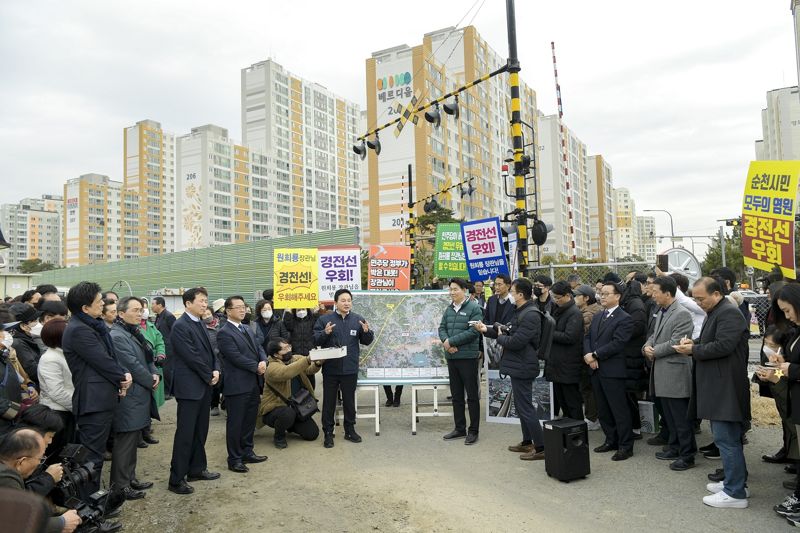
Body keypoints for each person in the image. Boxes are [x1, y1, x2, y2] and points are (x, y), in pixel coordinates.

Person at [673, 277, 750, 508]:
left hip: (725, 386)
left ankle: (735, 492)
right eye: (695, 298)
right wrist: (693, 343)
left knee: (726, 440)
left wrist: (693, 349)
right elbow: (711, 340)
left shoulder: (728, 312)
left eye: (701, 299)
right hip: (719, 384)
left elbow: (723, 346)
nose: (698, 303)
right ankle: (735, 481)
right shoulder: (717, 311)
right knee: (726, 438)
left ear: (716, 293)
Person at [62, 281, 131, 495]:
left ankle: (95, 507)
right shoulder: (79, 331)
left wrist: (120, 376)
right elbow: (102, 360)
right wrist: (122, 376)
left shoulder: (90, 325)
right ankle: (89, 508)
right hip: (93, 403)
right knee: (91, 460)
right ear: (85, 308)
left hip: (101, 399)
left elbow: (107, 358)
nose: (103, 304)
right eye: (99, 301)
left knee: (95, 457)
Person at [476, 278, 544, 458]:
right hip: (517, 364)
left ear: (520, 295)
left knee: (526, 407)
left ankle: (542, 447)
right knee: (522, 407)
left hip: (523, 365)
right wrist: (485, 329)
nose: (510, 295)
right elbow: (507, 331)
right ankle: (527, 442)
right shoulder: (520, 310)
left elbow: (516, 341)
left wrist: (499, 337)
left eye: (513, 292)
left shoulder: (531, 314)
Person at [167, 287, 221, 495]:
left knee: (201, 431)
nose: (204, 303)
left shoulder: (201, 323)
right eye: (200, 300)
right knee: (185, 434)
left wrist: (215, 369)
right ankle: (176, 478)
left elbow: (211, 351)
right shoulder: (181, 326)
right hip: (190, 388)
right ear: (188, 303)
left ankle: (197, 469)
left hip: (204, 385)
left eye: (206, 300)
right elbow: (191, 356)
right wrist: (209, 374)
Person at [642, 276, 695, 471]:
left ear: (667, 292)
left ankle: (688, 454)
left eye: (655, 291)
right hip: (662, 372)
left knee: (680, 418)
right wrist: (647, 346)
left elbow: (677, 342)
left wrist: (654, 350)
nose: (652, 294)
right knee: (670, 416)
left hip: (675, 373)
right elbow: (653, 336)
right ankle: (674, 446)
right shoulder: (662, 311)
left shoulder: (682, 314)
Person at [109, 296, 159, 500]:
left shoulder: (134, 332)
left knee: (132, 441)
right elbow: (132, 365)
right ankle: (120, 486)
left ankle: (130, 478)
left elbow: (148, 357)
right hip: (130, 398)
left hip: (140, 395)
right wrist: (150, 379)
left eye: (141, 310)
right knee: (125, 444)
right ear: (121, 313)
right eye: (136, 310)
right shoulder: (117, 335)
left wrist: (154, 373)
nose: (140, 313)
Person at [313, 289, 374, 449]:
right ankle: (328, 432)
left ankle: (350, 429)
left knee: (349, 401)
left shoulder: (358, 320)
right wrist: (325, 333)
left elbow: (367, 341)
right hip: (331, 368)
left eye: (349, 300)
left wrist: (367, 332)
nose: (347, 303)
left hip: (350, 368)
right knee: (329, 402)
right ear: (335, 303)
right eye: (343, 300)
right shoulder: (325, 319)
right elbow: (315, 339)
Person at [584, 281, 635, 461]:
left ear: (617, 296)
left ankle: (625, 446)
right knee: (603, 409)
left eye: (606, 293)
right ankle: (610, 439)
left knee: (618, 409)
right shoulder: (599, 315)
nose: (602, 296)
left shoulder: (624, 318)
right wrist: (589, 355)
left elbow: (618, 343)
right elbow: (588, 337)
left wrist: (596, 355)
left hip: (612, 370)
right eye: (601, 293)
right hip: (595, 368)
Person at [216, 296, 268, 473]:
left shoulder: (246, 328)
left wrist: (263, 361)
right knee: (235, 423)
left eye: (243, 307)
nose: (242, 310)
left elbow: (259, 347)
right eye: (237, 307)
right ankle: (234, 458)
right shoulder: (224, 332)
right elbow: (235, 356)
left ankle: (247, 451)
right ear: (228, 311)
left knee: (249, 420)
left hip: (252, 383)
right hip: (237, 385)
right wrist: (256, 367)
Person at [0, 428, 82, 533]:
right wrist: (62, 522)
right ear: (22, 462)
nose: (39, 464)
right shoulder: (7, 479)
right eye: (40, 459)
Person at [767, 284, 800, 521]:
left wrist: (791, 368)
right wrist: (776, 371)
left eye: (788, 311)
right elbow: (789, 368)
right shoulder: (795, 331)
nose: (787, 317)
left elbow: (794, 369)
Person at [438, 278, 484, 445]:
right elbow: (441, 328)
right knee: (457, 395)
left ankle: (473, 431)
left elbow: (474, 332)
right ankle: (459, 428)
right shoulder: (449, 309)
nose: (452, 292)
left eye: (455, 289)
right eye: (450, 289)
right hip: (452, 357)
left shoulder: (474, 308)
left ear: (464, 290)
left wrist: (452, 341)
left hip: (468, 358)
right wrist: (446, 343)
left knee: (471, 396)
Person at [260, 338, 322, 448]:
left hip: (296, 406)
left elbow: (310, 369)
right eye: (285, 349)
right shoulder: (271, 368)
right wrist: (307, 359)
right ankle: (279, 437)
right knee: (287, 414)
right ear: (276, 354)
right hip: (274, 409)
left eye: (289, 346)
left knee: (312, 434)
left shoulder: (295, 358)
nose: (289, 350)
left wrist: (318, 362)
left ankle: (289, 425)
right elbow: (286, 372)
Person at [545, 281, 585, 422]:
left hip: (568, 365)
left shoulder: (574, 313)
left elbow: (570, 337)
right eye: (553, 297)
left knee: (572, 403)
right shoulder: (557, 309)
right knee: (563, 402)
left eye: (558, 297)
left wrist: (548, 332)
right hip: (556, 363)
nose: (555, 300)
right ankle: (569, 434)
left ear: (568, 295)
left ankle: (578, 434)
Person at [36, 319, 75, 461]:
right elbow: (56, 391)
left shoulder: (64, 354)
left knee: (67, 450)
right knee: (57, 452)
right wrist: (77, 406)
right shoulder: (50, 358)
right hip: (57, 412)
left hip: (67, 410)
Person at [574, 284, 602, 431]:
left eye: (577, 295)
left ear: (586, 298)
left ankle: (592, 418)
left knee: (587, 388)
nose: (574, 298)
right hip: (592, 355)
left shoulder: (588, 314)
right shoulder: (590, 311)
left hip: (588, 356)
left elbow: (582, 336)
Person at [483, 274, 515, 371]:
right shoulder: (491, 300)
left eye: (500, 284)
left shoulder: (514, 301)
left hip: (508, 340)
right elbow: (486, 318)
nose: (496, 287)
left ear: (508, 286)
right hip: (491, 341)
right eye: (495, 284)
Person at [9, 303, 44, 387]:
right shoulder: (18, 343)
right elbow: (32, 370)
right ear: (24, 326)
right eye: (34, 320)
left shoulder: (27, 338)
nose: (38, 323)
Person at [0, 323, 23, 437]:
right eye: (2, 332)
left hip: (10, 424)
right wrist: (17, 410)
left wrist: (25, 395)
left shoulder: (3, 357)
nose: (5, 335)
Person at [152, 296, 176, 399]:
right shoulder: (158, 316)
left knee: (168, 370)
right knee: (164, 369)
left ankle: (169, 391)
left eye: (153, 304)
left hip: (168, 348)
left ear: (160, 305)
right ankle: (166, 390)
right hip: (162, 347)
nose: (151, 306)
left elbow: (175, 332)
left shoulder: (169, 316)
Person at [201, 307, 224, 417]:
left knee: (226, 381)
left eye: (208, 314)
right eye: (204, 315)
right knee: (215, 382)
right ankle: (214, 405)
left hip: (224, 357)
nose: (207, 316)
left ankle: (225, 403)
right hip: (211, 358)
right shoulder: (201, 328)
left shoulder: (221, 324)